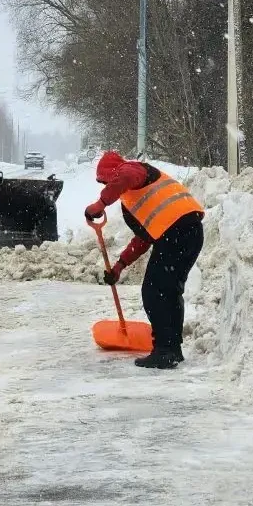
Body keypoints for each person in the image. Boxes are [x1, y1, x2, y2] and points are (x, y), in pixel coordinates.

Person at [85, 151, 204, 369]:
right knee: (169, 291)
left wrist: (101, 203)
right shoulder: (133, 199)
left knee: (155, 291)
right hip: (188, 232)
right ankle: (172, 350)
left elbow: (125, 176)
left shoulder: (133, 170)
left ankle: (165, 351)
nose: (107, 186)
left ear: (113, 173)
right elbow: (143, 238)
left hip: (177, 232)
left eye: (106, 181)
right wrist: (120, 265)